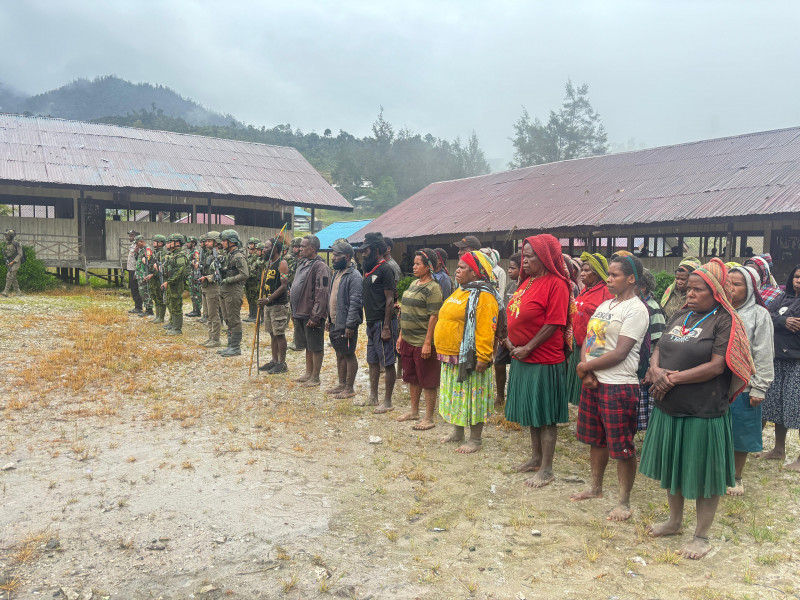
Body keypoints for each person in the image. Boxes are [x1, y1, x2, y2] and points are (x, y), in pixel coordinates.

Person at [640, 258, 754, 560]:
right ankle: (675, 521)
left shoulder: (726, 321)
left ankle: (702, 536)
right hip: (670, 406)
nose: (690, 294)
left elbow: (717, 366)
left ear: (715, 291)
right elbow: (660, 346)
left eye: (697, 289)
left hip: (703, 410)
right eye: (689, 288)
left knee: (705, 473)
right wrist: (656, 370)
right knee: (672, 465)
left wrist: (671, 378)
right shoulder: (682, 315)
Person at [571, 255, 650, 521]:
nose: (609, 279)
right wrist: (586, 369)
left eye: (615, 275)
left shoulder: (636, 310)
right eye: (609, 274)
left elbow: (621, 352)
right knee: (597, 439)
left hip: (618, 385)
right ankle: (595, 487)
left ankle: (623, 502)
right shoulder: (606, 304)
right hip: (594, 382)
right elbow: (589, 340)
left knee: (622, 446)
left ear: (631, 279)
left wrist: (585, 369)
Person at [503, 234, 574, 488]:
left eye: (530, 256)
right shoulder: (529, 281)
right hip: (522, 355)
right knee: (533, 412)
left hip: (544, 359)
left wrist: (528, 346)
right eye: (524, 255)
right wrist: (512, 343)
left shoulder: (557, 284)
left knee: (546, 415)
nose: (524, 260)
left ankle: (547, 468)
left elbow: (554, 322)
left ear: (544, 257)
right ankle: (535, 458)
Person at [434, 251, 501, 452]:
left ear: (475, 273)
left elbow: (486, 329)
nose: (457, 270)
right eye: (459, 266)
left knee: (473, 398)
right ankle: (458, 432)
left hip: (471, 359)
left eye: (463, 268)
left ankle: (475, 439)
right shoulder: (461, 291)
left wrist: (482, 356)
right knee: (458, 396)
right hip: (452, 355)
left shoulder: (485, 296)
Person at [725, 266, 774, 494]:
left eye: (737, 284)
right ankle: (715, 472)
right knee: (717, 429)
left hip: (744, 385)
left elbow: (763, 351)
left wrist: (759, 387)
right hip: (716, 384)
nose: (731, 289)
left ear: (750, 288)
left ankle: (736, 475)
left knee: (741, 431)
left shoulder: (758, 314)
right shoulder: (718, 310)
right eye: (728, 283)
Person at [758, 264, 800, 471]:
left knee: (797, 406)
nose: (798, 280)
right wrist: (784, 321)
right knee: (778, 404)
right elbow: (767, 314)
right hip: (778, 358)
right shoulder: (782, 297)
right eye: (797, 277)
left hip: (797, 361)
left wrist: (779, 321)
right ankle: (779, 449)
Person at [397, 248, 443, 430]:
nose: (414, 267)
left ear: (428, 266)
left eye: (418, 264)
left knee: (428, 379)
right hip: (408, 339)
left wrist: (427, 343)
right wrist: (401, 336)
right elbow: (405, 311)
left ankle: (429, 417)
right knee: (412, 377)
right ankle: (414, 411)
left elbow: (434, 316)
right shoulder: (414, 283)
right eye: (414, 263)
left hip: (423, 341)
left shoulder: (433, 288)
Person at [565, 253, 614, 406]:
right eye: (582, 270)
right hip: (577, 345)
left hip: (593, 349)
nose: (582, 274)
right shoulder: (585, 290)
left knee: (588, 388)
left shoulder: (606, 292)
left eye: (587, 270)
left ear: (598, 272)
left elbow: (607, 324)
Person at [358, 232, 397, 412]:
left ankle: (387, 402)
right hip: (371, 322)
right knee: (372, 360)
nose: (363, 253)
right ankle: (373, 396)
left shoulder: (385, 269)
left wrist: (387, 327)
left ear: (376, 250)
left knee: (387, 362)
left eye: (366, 250)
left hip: (383, 323)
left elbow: (390, 300)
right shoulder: (368, 270)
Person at [290, 234, 329, 386]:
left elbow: (322, 292)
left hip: (311, 313)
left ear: (312, 248)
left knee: (316, 346)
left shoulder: (320, 267)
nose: (300, 249)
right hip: (300, 312)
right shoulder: (303, 263)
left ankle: (315, 377)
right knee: (307, 345)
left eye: (303, 246)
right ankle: (308, 373)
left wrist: (316, 316)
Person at [325, 240, 363, 398]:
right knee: (339, 353)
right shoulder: (337, 273)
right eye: (333, 255)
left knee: (348, 354)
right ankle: (341, 384)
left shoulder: (354, 276)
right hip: (335, 322)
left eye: (337, 255)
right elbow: (332, 298)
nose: (333, 258)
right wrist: (328, 318)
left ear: (347, 256)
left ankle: (349, 388)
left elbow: (356, 302)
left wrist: (350, 325)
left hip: (346, 323)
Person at [636, 269, 667, 431]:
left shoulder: (653, 308)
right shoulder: (636, 305)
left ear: (642, 288)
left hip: (647, 366)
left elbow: (659, 341)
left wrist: (650, 368)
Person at [257, 238, 291, 374]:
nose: (264, 249)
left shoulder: (282, 263)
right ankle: (274, 360)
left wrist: (269, 298)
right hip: (268, 304)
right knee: (272, 334)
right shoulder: (269, 263)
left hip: (278, 304)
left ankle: (282, 364)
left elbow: (284, 285)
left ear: (275, 249)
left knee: (279, 334)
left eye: (267, 247)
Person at [217, 229, 249, 356]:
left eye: (225, 241)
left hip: (233, 291)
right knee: (227, 318)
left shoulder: (238, 256)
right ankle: (230, 345)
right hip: (225, 291)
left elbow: (245, 274)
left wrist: (229, 279)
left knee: (234, 319)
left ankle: (235, 347)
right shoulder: (228, 256)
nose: (223, 243)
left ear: (232, 242)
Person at [495, 253, 521, 408]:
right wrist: (501, 331)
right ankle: (500, 396)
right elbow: (504, 309)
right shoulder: (512, 286)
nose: (509, 271)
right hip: (506, 334)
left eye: (513, 268)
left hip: (518, 336)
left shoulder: (526, 287)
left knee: (516, 369)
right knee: (498, 363)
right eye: (509, 267)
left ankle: (514, 399)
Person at [197, 231, 222, 348]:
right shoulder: (207, 254)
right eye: (206, 241)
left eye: (209, 241)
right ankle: (210, 337)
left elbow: (220, 273)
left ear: (216, 242)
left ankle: (216, 339)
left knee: (213, 314)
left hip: (213, 287)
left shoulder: (220, 255)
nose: (206, 243)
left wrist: (207, 277)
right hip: (205, 287)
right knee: (207, 314)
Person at [161, 233, 189, 335]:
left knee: (176, 306)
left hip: (176, 285)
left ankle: (177, 329)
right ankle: (173, 324)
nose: (167, 244)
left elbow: (179, 272)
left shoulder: (180, 256)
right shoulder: (172, 256)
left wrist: (169, 281)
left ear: (177, 243)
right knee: (171, 303)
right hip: (170, 284)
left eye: (169, 242)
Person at [144, 234, 167, 324]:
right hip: (153, 279)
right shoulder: (155, 253)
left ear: (161, 243)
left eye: (155, 241)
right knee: (155, 297)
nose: (153, 243)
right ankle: (157, 316)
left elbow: (161, 268)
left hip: (158, 279)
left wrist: (153, 274)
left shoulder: (162, 253)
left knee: (160, 298)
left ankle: (161, 317)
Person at [133, 235, 153, 317]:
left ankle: (149, 310)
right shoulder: (141, 250)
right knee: (142, 293)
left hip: (144, 275)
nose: (136, 245)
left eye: (137, 243)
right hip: (140, 275)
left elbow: (148, 261)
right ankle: (147, 309)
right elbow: (138, 260)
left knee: (145, 293)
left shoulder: (147, 250)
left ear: (141, 242)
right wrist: (136, 253)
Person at [243, 237, 262, 322]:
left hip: (255, 280)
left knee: (255, 297)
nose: (250, 246)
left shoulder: (258, 256)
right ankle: (251, 314)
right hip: (249, 280)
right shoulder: (250, 256)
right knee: (249, 297)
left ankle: (255, 316)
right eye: (249, 244)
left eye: (252, 244)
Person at [184, 236, 203, 318]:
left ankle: (197, 310)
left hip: (194, 276)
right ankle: (195, 309)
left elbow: (197, 263)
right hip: (190, 276)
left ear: (193, 243)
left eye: (188, 242)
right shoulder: (190, 252)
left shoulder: (195, 252)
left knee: (196, 293)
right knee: (192, 293)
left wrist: (193, 262)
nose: (187, 244)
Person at [1, 229, 23, 297]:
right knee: (13, 278)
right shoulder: (7, 244)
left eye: (7, 235)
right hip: (10, 262)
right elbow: (7, 254)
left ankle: (6, 292)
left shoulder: (16, 243)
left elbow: (20, 254)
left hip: (16, 262)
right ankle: (18, 292)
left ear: (11, 236)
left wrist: (13, 262)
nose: (6, 237)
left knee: (9, 275)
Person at [126, 229, 143, 314]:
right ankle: (137, 306)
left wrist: (137, 271)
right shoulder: (133, 245)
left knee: (136, 289)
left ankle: (138, 307)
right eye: (130, 235)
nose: (130, 237)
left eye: (132, 235)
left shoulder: (138, 246)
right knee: (133, 289)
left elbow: (139, 259)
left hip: (135, 270)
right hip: (131, 269)